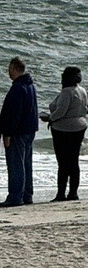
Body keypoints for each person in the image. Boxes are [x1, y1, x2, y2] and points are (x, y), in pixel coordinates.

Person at [40, 66, 87, 202]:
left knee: (63, 162)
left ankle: (61, 193)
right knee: (74, 161)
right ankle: (73, 192)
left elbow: (61, 111)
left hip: (63, 130)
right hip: (80, 127)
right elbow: (85, 108)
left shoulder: (67, 92)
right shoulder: (82, 91)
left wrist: (49, 118)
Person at [0, 56, 39, 208]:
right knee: (26, 163)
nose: (8, 72)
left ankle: (15, 196)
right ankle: (27, 194)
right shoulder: (30, 86)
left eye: (9, 69)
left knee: (16, 164)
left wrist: (7, 133)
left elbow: (13, 114)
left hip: (18, 132)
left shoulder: (18, 88)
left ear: (14, 68)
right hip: (30, 129)